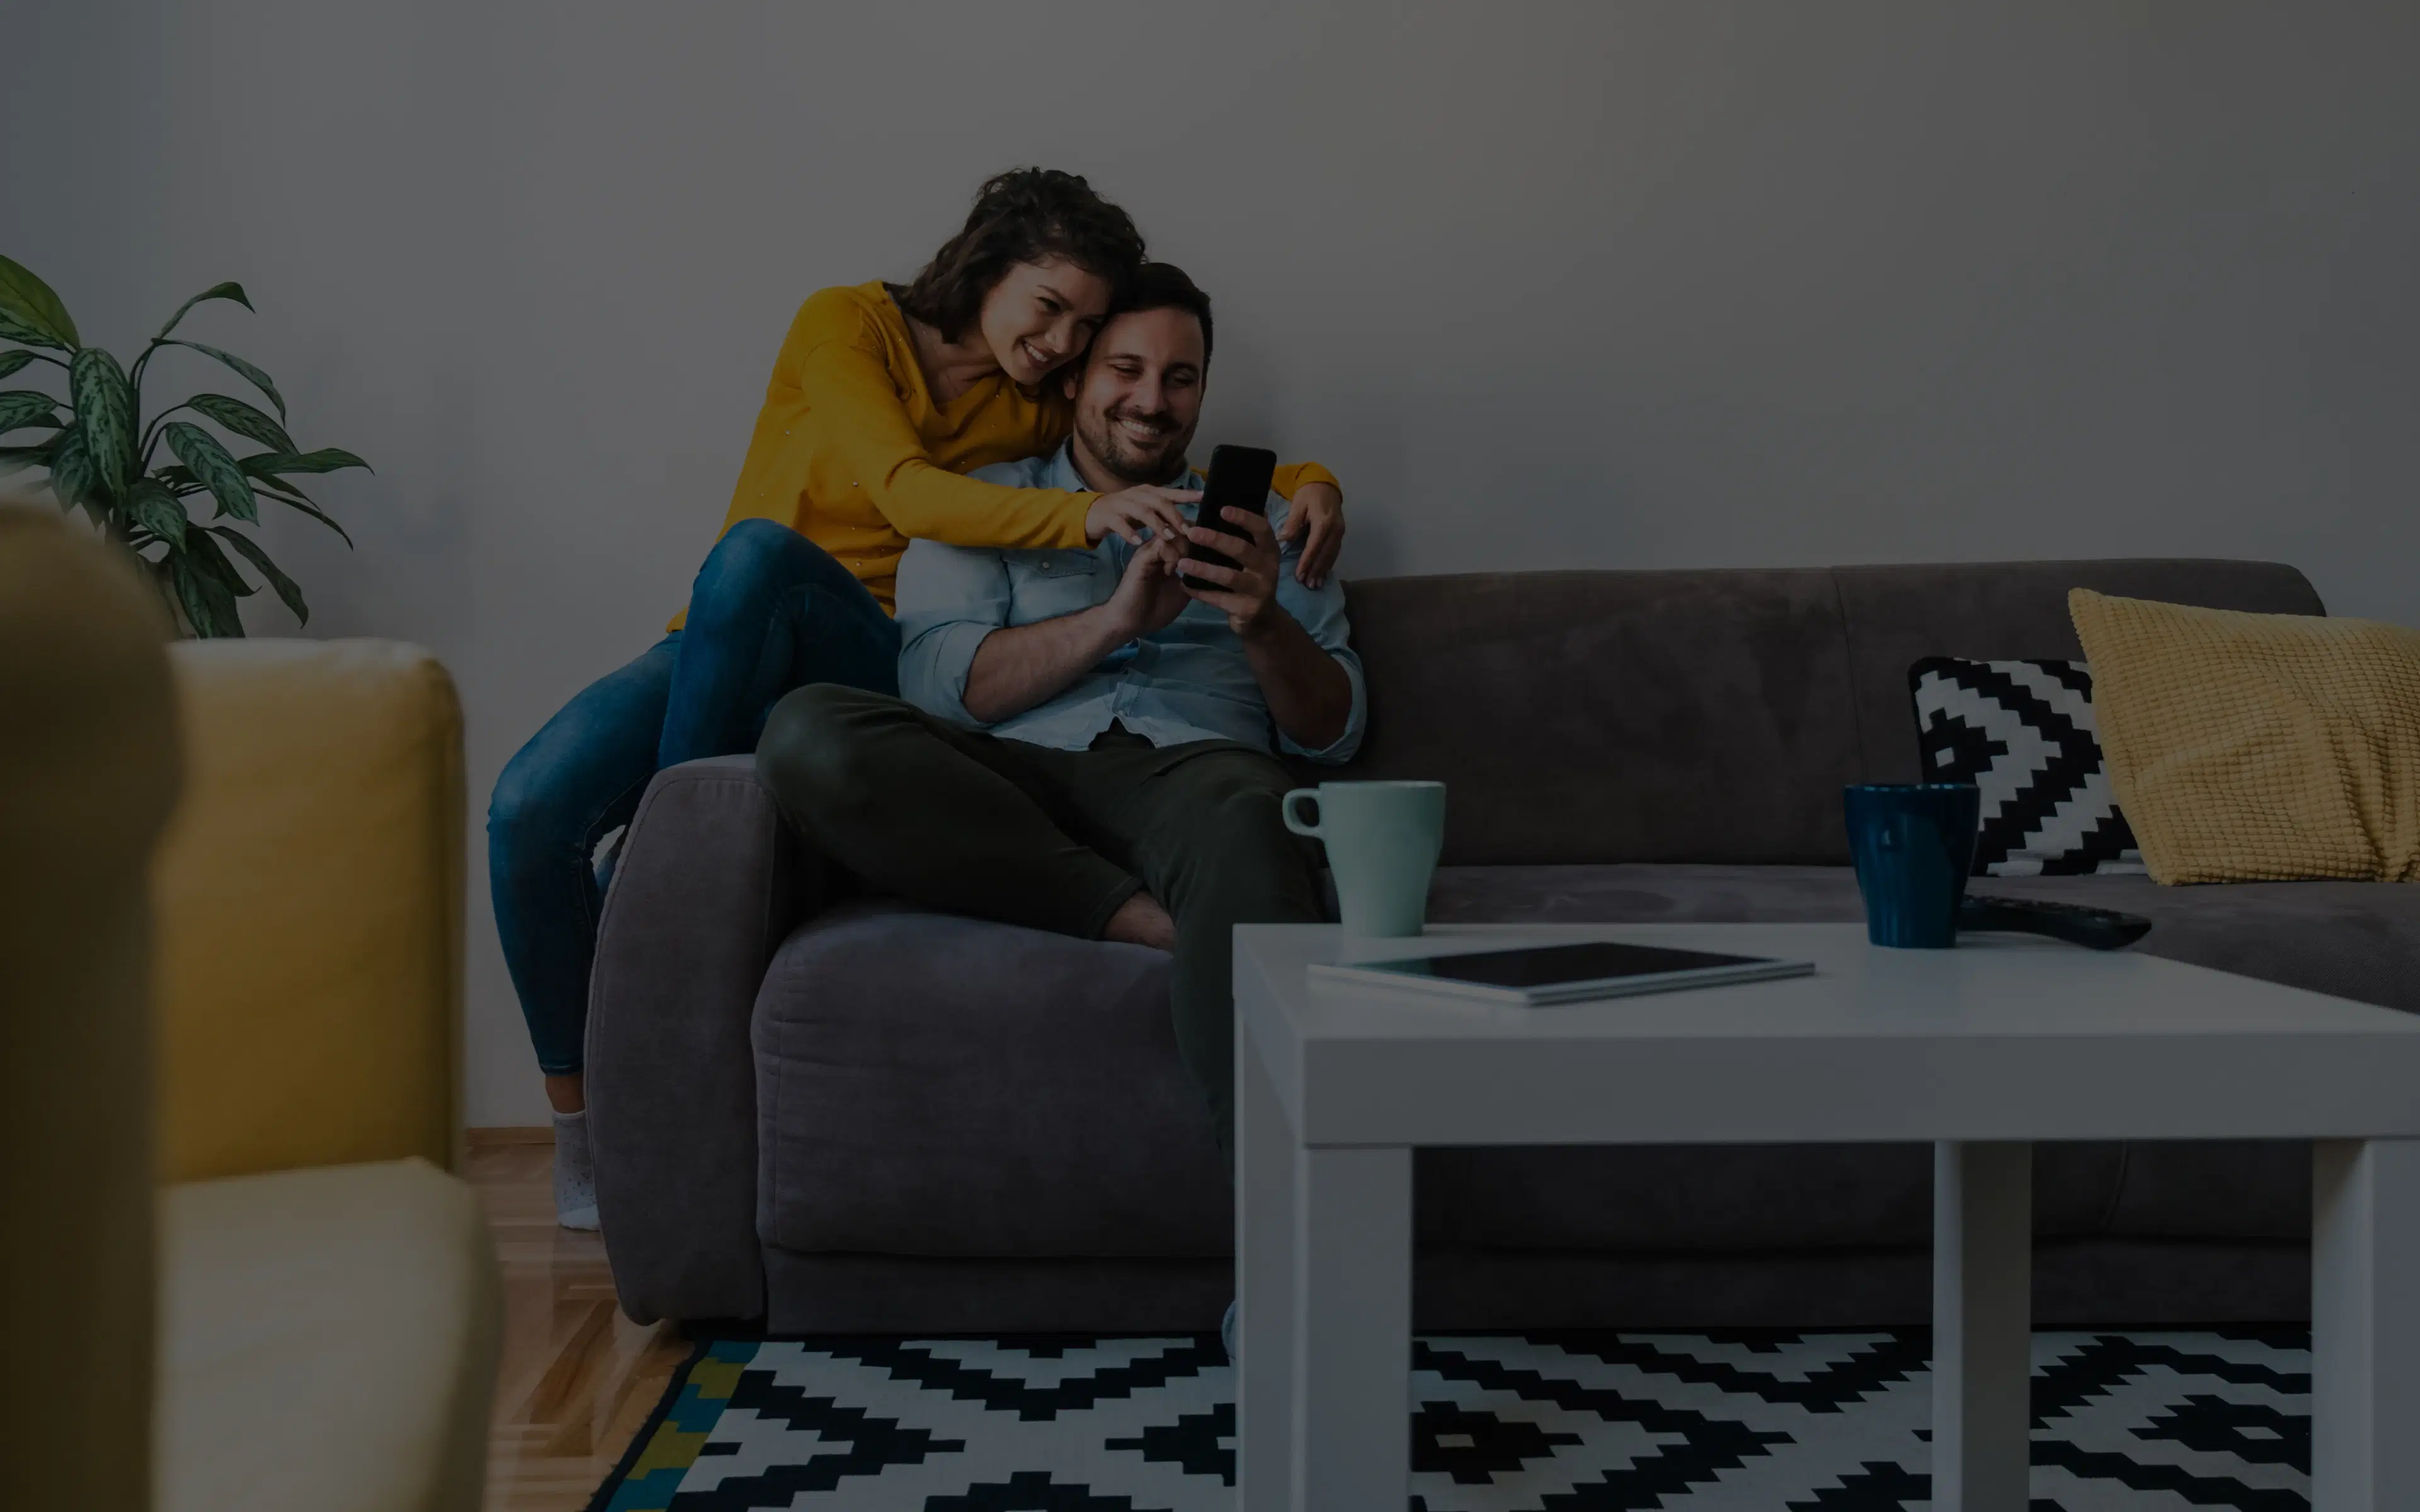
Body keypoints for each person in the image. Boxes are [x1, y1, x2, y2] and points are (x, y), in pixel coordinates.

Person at [490, 170, 1350, 1228]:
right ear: (988, 266)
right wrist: (1098, 550)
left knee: (1229, 809)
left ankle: (1287, 1241)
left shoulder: (1062, 406)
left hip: (938, 672)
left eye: (1084, 330)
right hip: (750, 626)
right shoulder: (856, 331)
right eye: (1058, 317)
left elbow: (1157, 429)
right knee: (537, 804)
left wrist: (1305, 488)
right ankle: (589, 1109)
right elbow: (910, 524)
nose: (1063, 347)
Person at [754, 263, 1366, 1357]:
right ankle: (1137, 918)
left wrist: (1263, 621)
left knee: (1253, 822)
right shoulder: (990, 500)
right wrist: (1118, 618)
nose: (1151, 399)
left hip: (1197, 772)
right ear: (1080, 376)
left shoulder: (1280, 526)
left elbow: (1334, 732)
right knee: (809, 731)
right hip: (1007, 776)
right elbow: (944, 686)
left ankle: (1286, 1270)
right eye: (1125, 368)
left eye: (1180, 379)